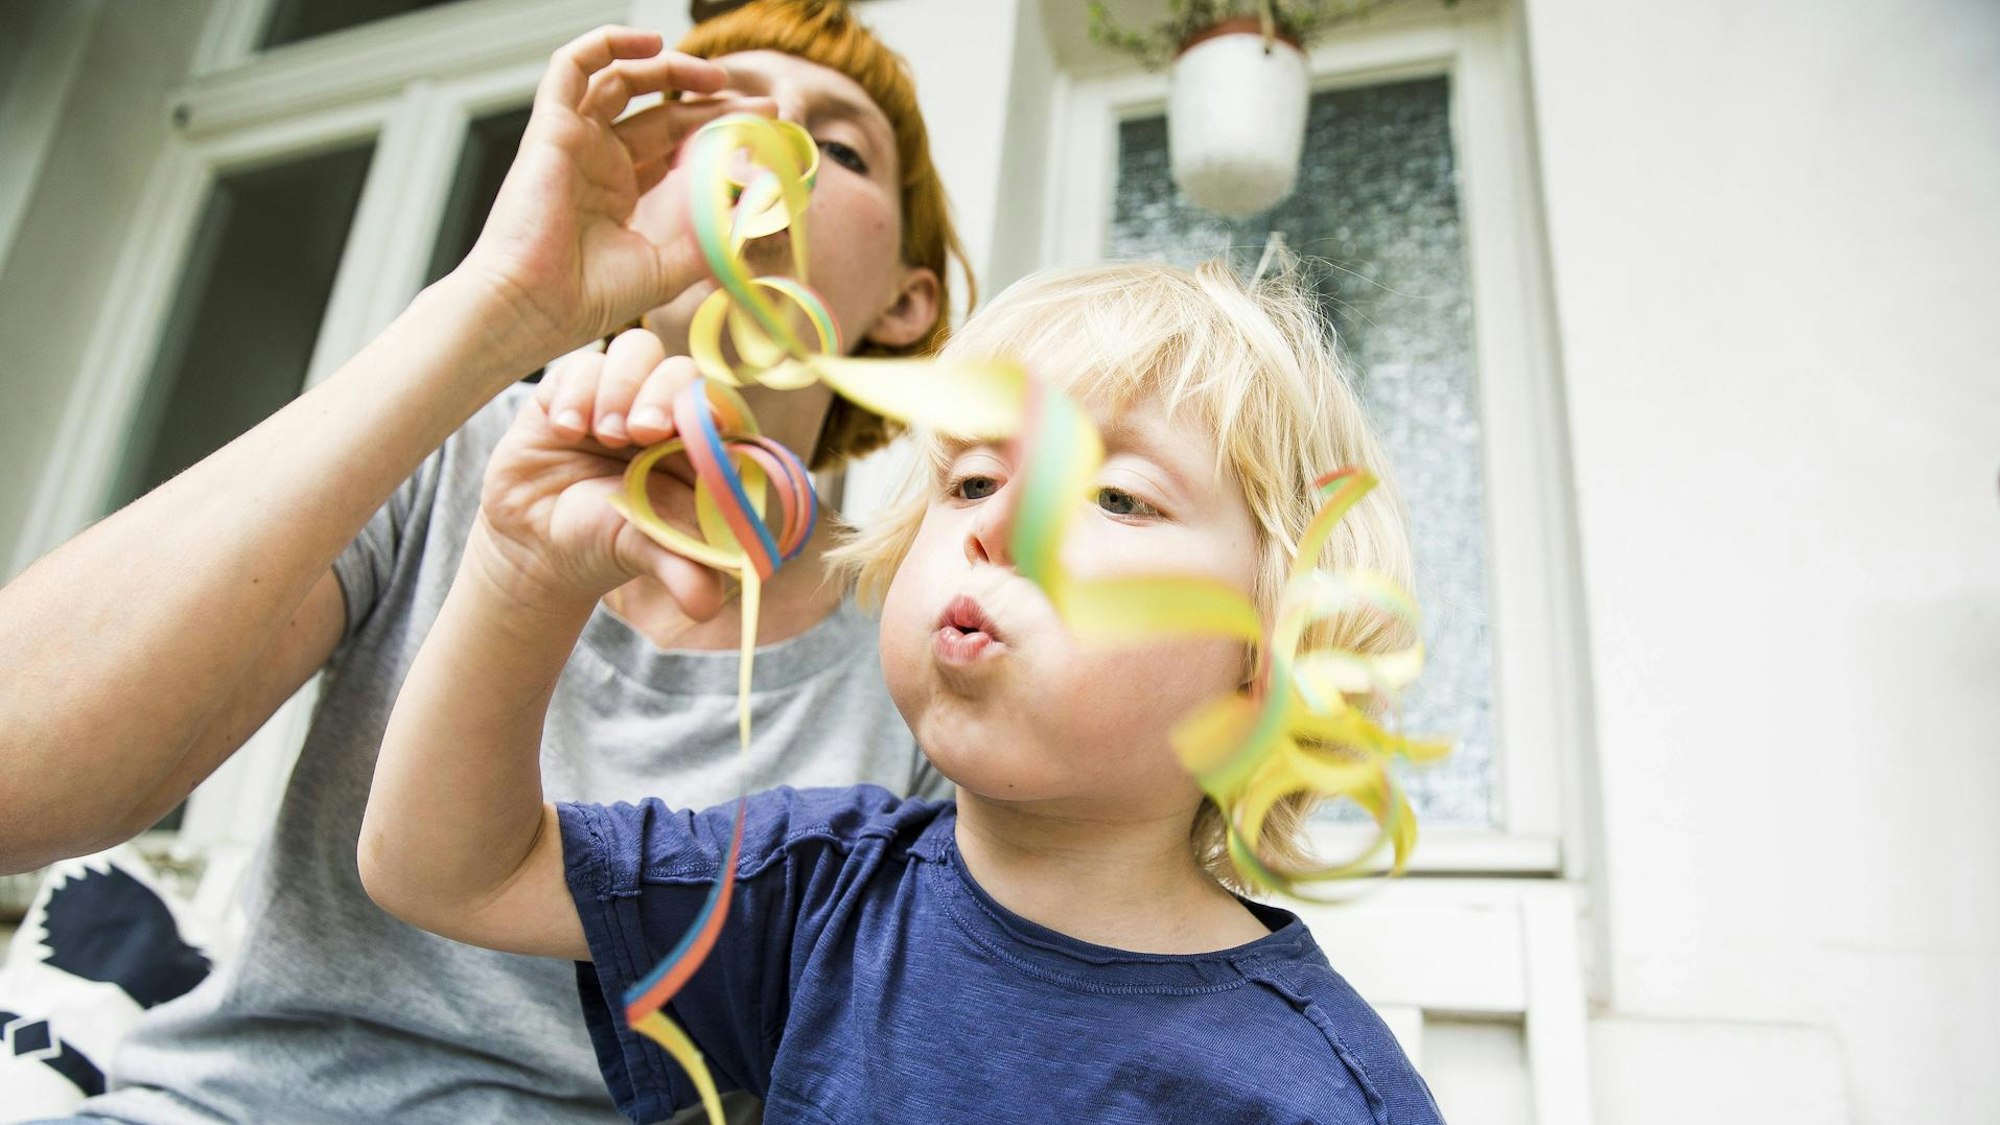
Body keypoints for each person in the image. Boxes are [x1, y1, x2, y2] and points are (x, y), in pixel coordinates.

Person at [0, 3, 970, 1122]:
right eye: (710, 118)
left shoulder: (927, 632)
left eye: (838, 146)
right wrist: (500, 304)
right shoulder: (456, 453)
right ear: (639, 187)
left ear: (906, 302)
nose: (770, 148)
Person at [357, 260, 1447, 1124]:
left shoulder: (1317, 1092)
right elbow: (450, 872)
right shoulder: (812, 889)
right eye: (970, 478)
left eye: (1117, 496)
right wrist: (524, 573)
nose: (996, 522)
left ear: (1270, 649)